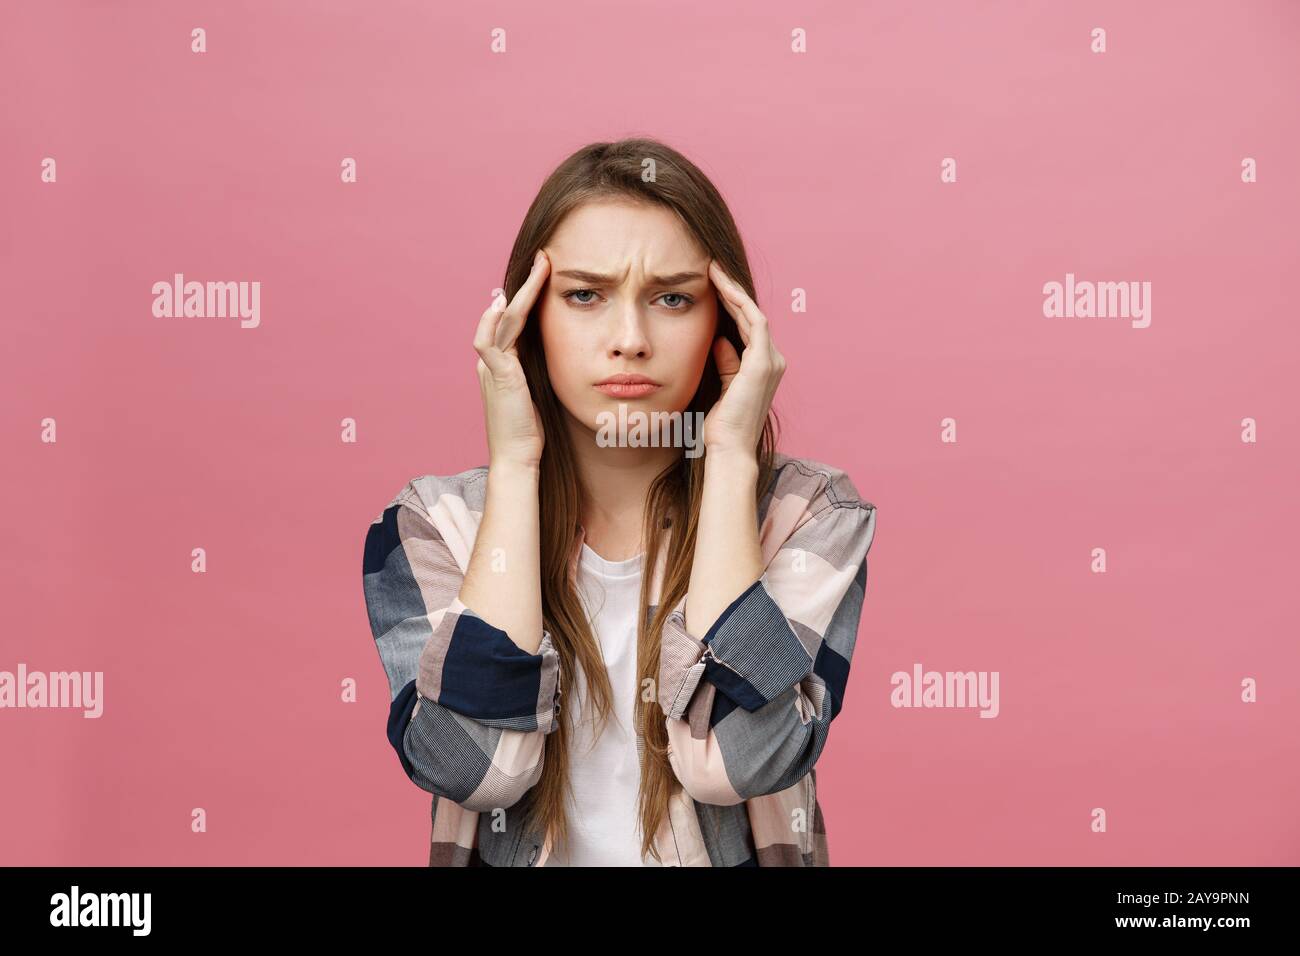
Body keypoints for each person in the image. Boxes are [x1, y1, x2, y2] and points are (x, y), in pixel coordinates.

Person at [362, 138, 878, 866]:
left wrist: (728, 459)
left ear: (726, 325)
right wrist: (514, 467)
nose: (630, 340)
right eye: (584, 296)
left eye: (672, 298)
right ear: (527, 319)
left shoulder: (809, 515)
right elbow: (475, 769)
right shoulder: (433, 527)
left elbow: (733, 763)